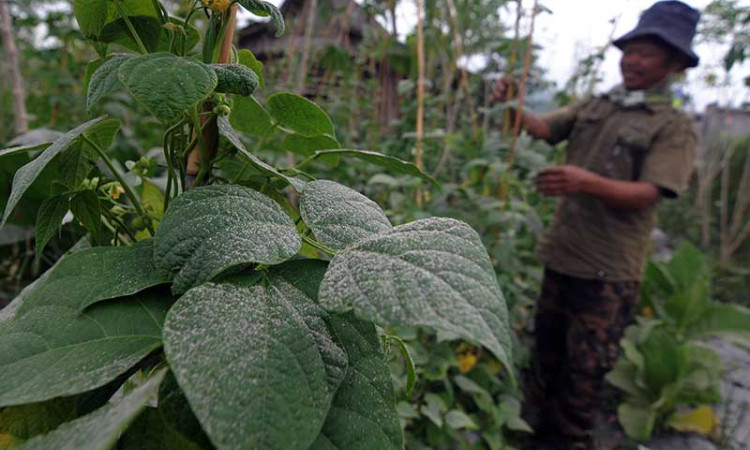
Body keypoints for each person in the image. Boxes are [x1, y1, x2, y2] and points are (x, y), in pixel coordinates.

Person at [490, 1, 700, 448]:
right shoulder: (599, 104)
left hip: (608, 271)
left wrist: (584, 181)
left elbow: (650, 193)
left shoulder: (674, 125)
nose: (633, 60)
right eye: (630, 50)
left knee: (585, 369)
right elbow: (544, 130)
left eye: (647, 53)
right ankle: (531, 434)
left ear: (675, 63)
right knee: (545, 352)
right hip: (563, 254)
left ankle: (567, 440)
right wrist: (511, 104)